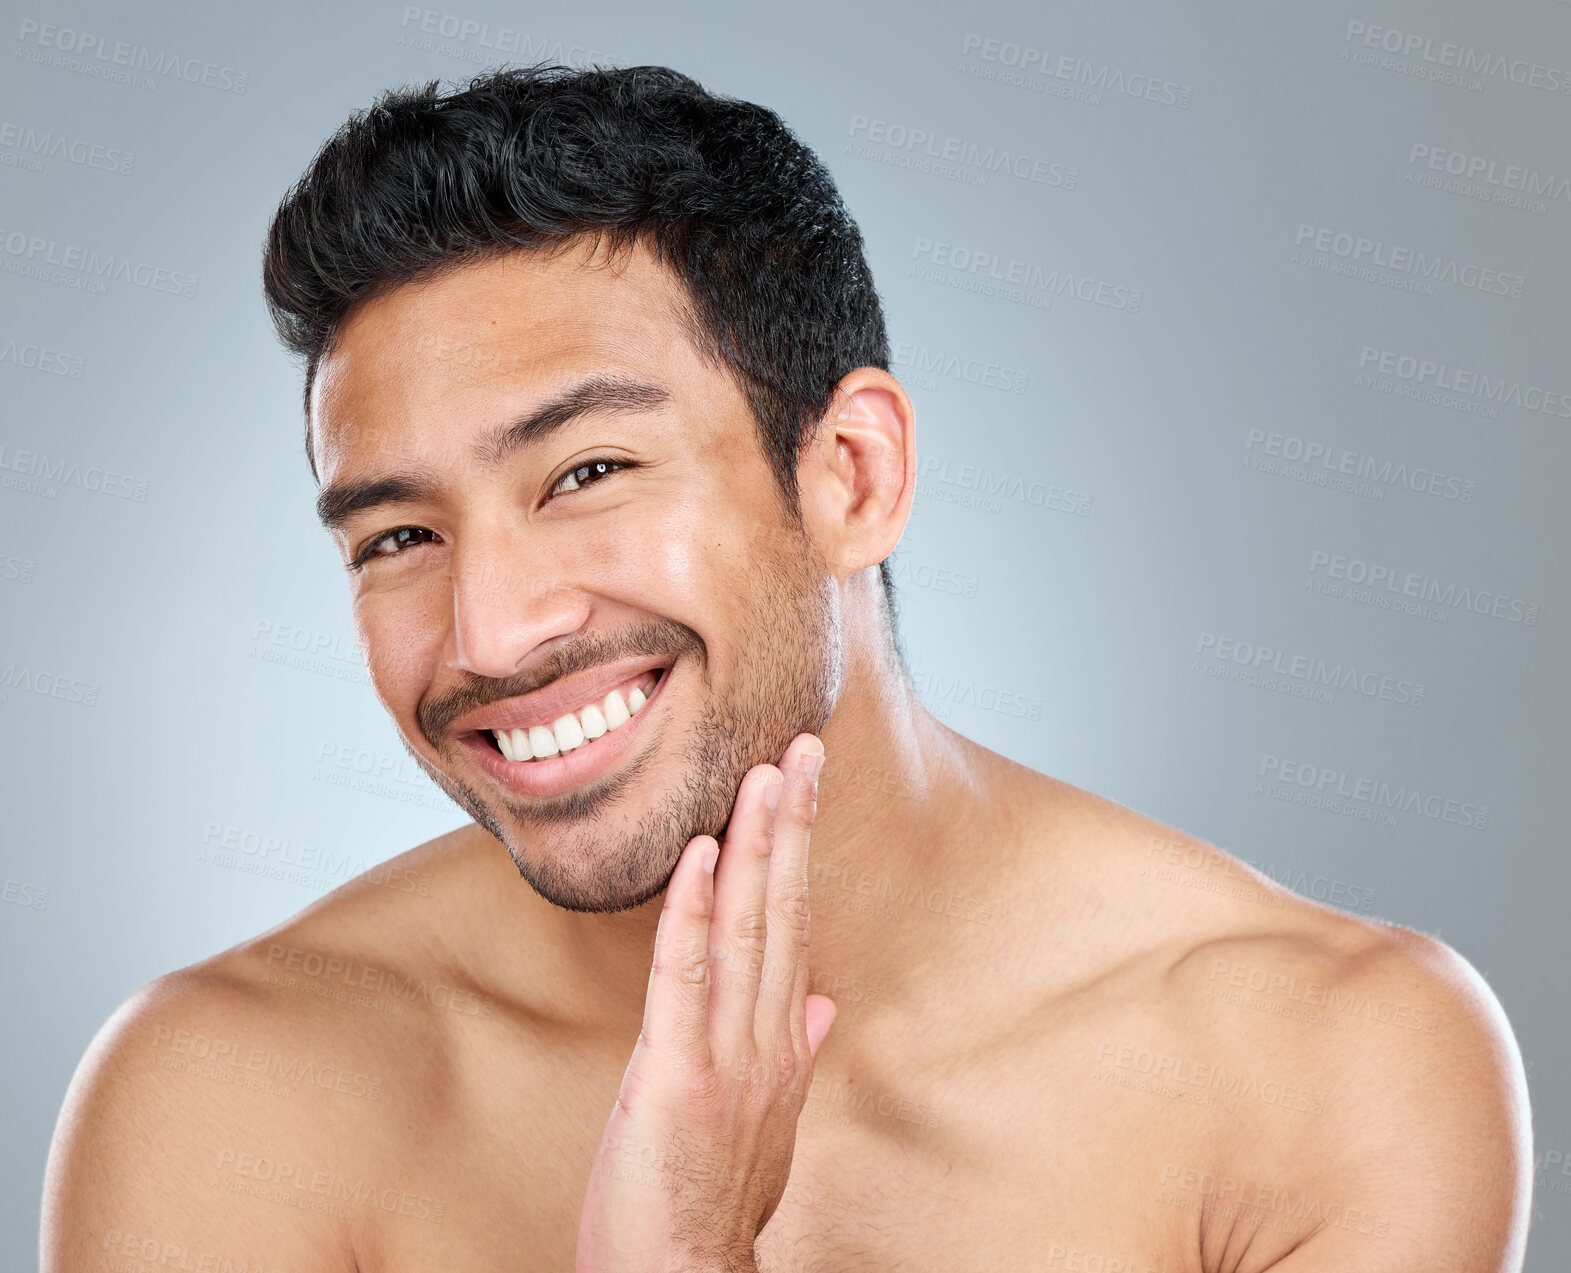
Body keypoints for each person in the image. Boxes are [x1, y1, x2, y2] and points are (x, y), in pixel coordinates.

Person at [42, 64, 1532, 1272]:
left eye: (587, 471)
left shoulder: (1336, 1064)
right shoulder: (222, 1095)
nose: (491, 635)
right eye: (396, 536)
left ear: (853, 475)